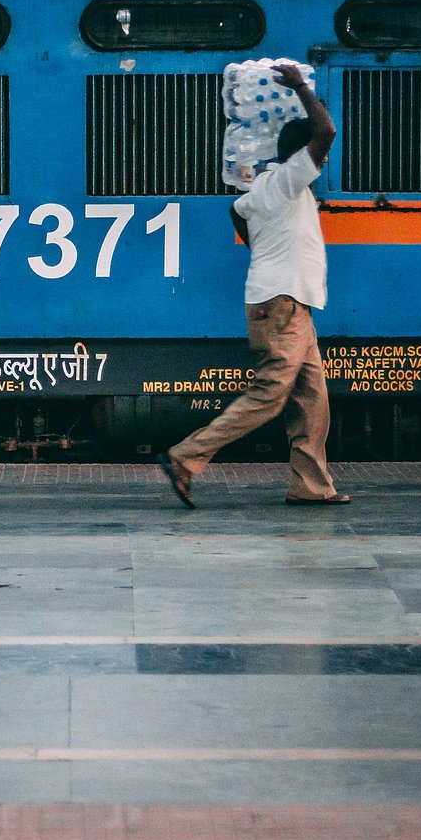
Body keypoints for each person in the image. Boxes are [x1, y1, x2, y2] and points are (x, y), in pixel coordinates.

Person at [157, 62, 349, 508]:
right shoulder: (289, 180)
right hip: (282, 305)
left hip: (289, 303)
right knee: (269, 395)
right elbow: (326, 132)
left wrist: (263, 251)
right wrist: (300, 87)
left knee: (312, 401)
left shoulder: (263, 189)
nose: (324, 161)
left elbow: (236, 212)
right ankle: (185, 457)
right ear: (302, 155)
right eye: (317, 156)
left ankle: (311, 486)